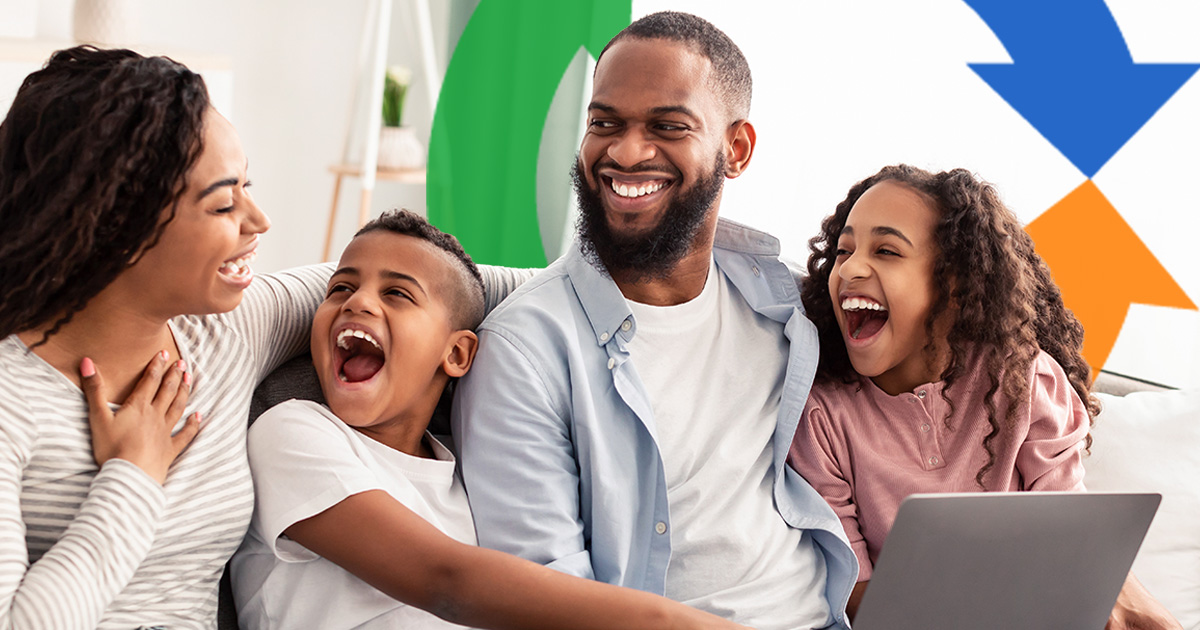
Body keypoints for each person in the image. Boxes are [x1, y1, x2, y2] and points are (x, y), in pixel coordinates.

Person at [452, 12, 857, 630]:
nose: (625, 151)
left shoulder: (782, 303)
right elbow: (544, 596)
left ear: (736, 149)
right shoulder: (524, 349)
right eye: (603, 123)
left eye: (667, 126)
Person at [231, 209, 746, 630]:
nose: (357, 302)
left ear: (457, 354)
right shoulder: (293, 432)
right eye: (340, 289)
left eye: (397, 294)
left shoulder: (467, 488)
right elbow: (447, 583)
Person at [0, 46, 336, 626]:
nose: (259, 221)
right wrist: (133, 476)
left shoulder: (230, 332)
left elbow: (409, 283)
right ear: (117, 228)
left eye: (247, 187)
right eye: (225, 202)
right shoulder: (11, 400)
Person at [788, 164, 1181, 629]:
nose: (850, 267)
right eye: (843, 250)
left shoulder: (1024, 380)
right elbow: (856, 592)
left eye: (887, 250)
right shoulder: (819, 413)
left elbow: (1072, 542)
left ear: (954, 285)